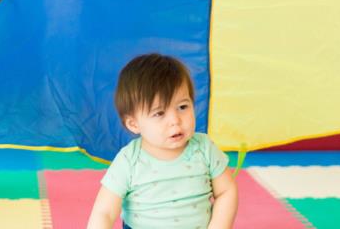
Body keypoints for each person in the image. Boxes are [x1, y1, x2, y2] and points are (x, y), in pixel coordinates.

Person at [87, 53, 238, 229]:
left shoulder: (204, 148)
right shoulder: (129, 161)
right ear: (134, 124)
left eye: (182, 107)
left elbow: (227, 191)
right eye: (159, 113)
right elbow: (104, 212)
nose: (175, 120)